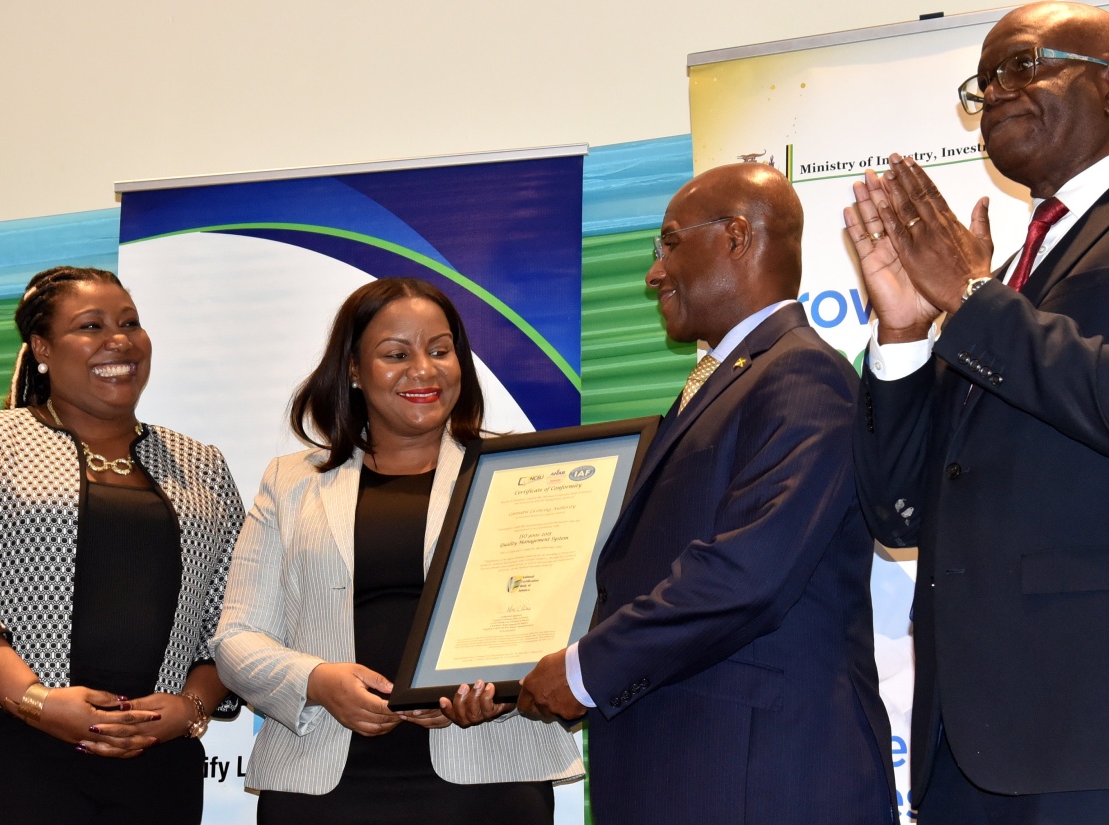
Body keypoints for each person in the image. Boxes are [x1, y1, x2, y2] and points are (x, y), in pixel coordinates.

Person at [517, 163, 896, 824]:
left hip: (759, 781)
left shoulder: (802, 374)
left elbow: (744, 575)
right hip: (697, 772)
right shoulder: (728, 381)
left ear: (736, 239)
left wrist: (582, 671)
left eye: (667, 244)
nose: (653, 273)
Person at [843, 3, 1109, 822]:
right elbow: (900, 510)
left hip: (1084, 735)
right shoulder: (1011, 274)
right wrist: (905, 330)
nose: (996, 93)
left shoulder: (991, 289)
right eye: (984, 81)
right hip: (963, 745)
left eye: (1025, 65)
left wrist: (970, 296)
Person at [211, 277, 581, 824]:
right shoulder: (290, 482)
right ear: (354, 370)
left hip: (487, 779)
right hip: (321, 782)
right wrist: (318, 682)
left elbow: (561, 620)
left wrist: (503, 693)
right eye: (395, 354)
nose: (423, 371)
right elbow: (236, 637)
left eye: (440, 350)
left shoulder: (521, 472)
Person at [0, 266, 243, 824]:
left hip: (156, 764)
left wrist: (190, 707)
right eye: (91, 325)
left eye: (130, 323)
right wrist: (37, 701)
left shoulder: (200, 463)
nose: (119, 340)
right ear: (41, 347)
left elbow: (234, 611)